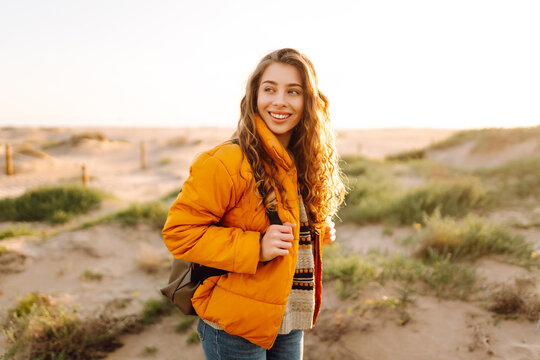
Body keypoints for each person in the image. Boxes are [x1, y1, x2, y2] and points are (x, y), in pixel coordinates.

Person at [162, 48, 346, 359]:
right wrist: (256, 247)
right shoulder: (225, 161)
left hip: (286, 317)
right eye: (270, 89)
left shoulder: (305, 160)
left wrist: (313, 231)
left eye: (293, 91)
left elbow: (279, 225)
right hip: (234, 324)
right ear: (254, 96)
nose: (280, 101)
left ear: (308, 101)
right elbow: (180, 233)